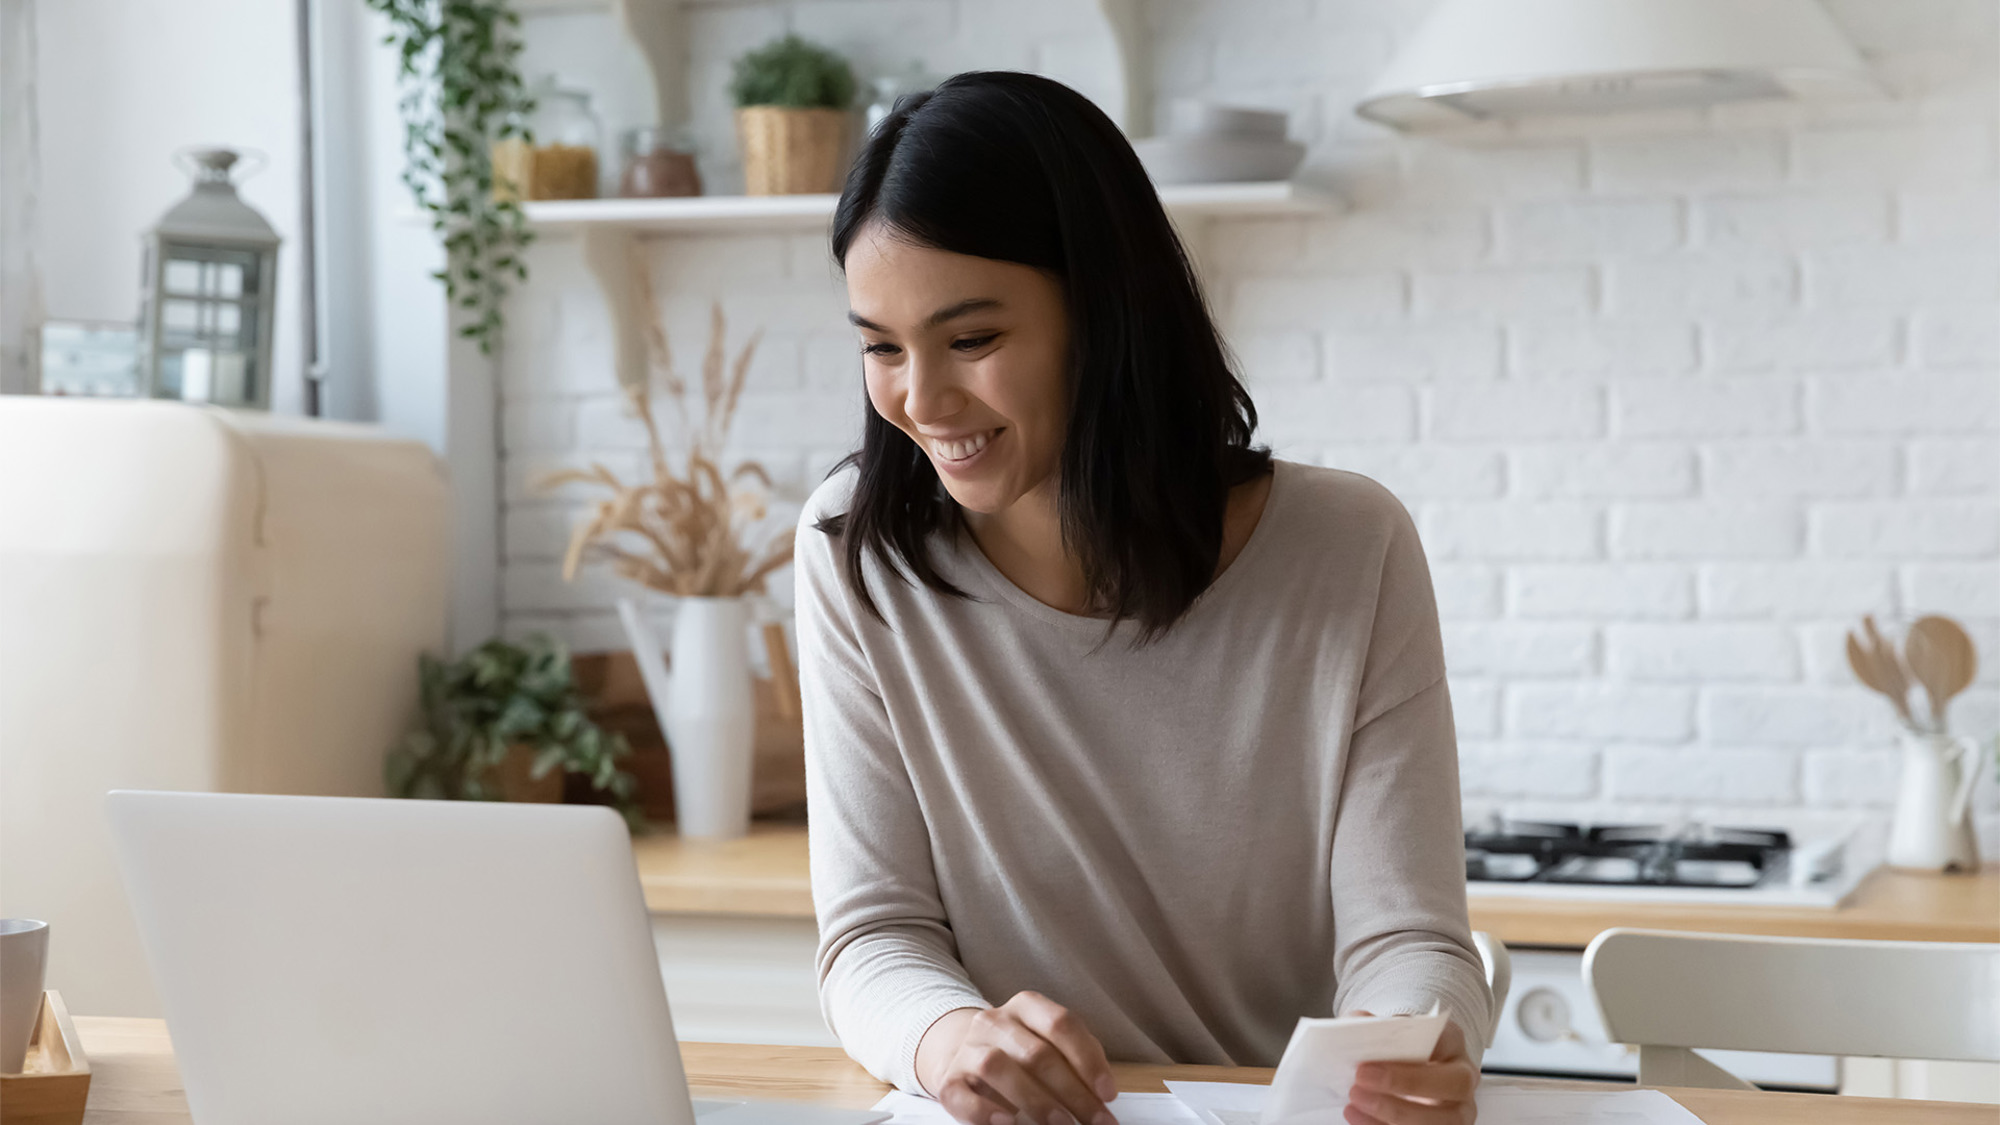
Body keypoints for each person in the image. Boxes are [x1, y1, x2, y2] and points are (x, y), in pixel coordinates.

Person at [794, 71, 1490, 1125]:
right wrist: (949, 1041)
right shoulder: (858, 554)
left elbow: (1408, 941)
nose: (921, 402)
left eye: (971, 339)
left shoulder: (1348, 549)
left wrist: (1412, 1044)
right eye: (880, 348)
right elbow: (871, 937)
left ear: (1104, 313)